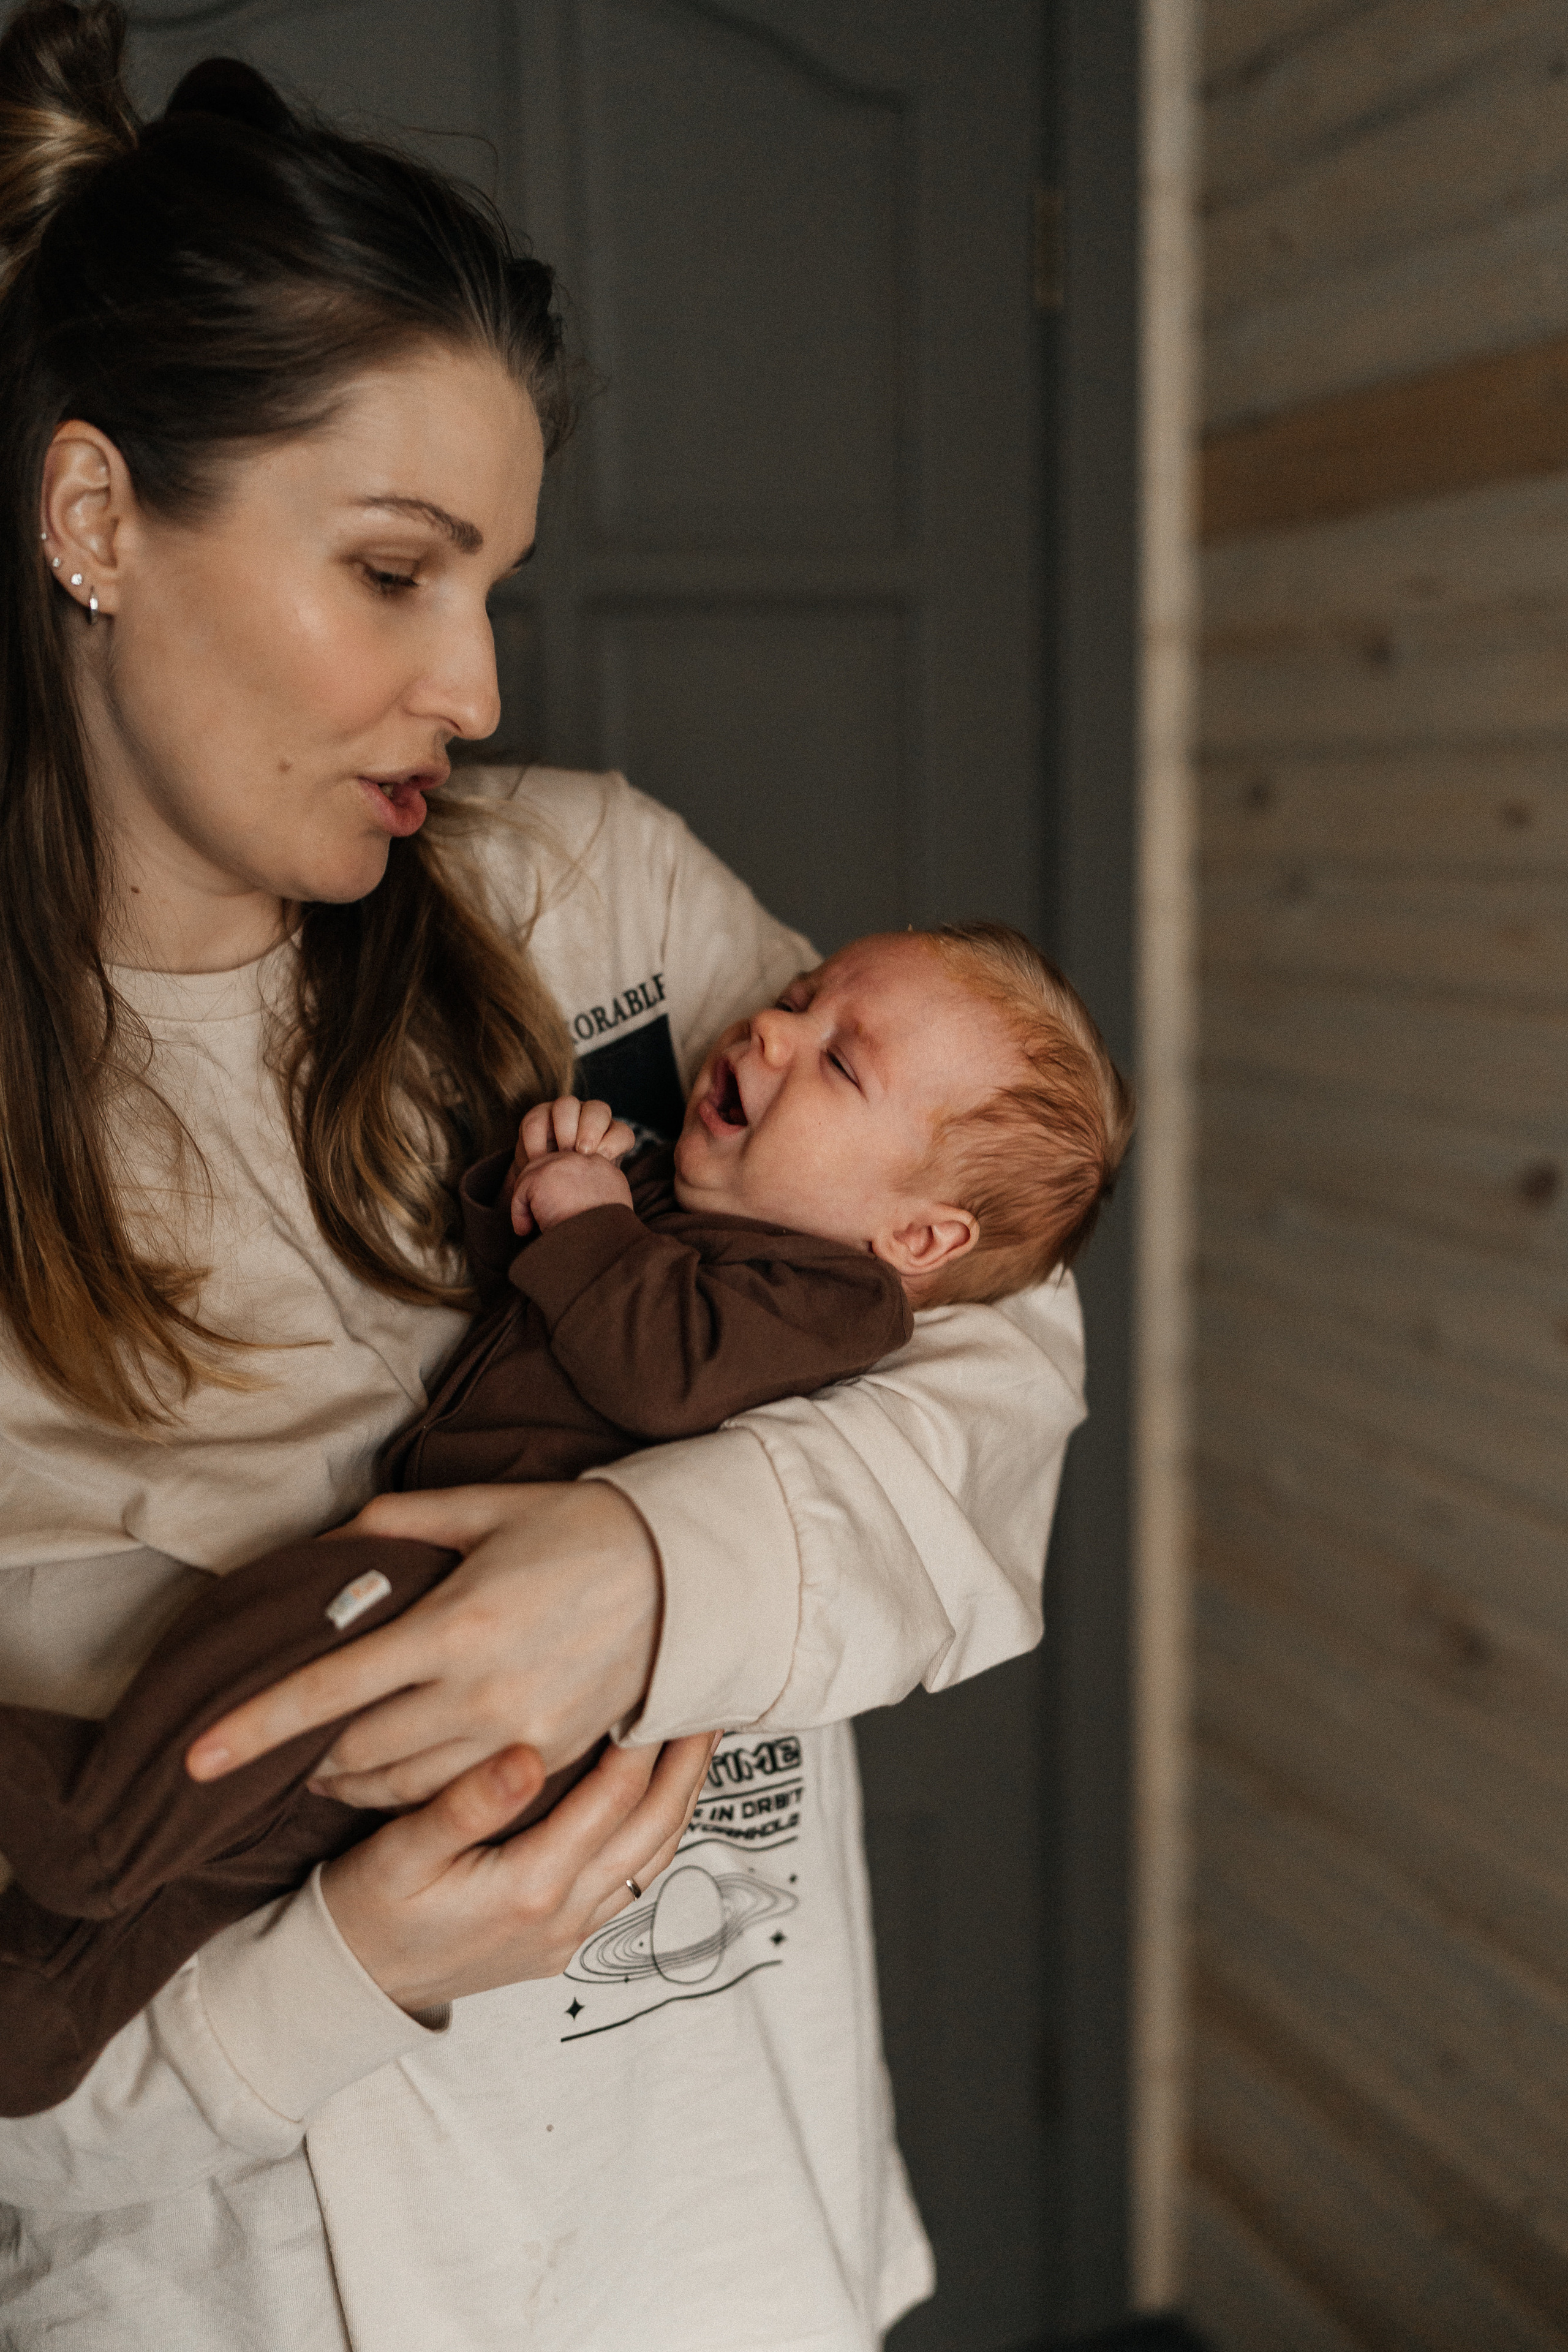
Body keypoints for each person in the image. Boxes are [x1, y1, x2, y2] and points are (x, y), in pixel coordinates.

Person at [0, 7, 1090, 2348]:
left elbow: (997, 1340)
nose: (479, 688)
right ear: (93, 519)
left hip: (735, 2241)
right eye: (397, 571)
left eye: (489, 579)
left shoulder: (593, 911)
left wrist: (645, 1573)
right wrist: (346, 1972)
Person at [0, 925, 1133, 2114]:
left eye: (841, 1065)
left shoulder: (833, 1302)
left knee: (255, 1654)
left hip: (460, 1605)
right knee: (228, 1853)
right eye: (800, 999)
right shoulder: (690, 1209)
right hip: (448, 1582)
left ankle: (82, 1814)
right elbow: (525, 1313)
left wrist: (593, 1220)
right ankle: (48, 2005)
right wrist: (539, 1186)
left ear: (915, 1240)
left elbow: (659, 1371)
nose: (770, 1029)